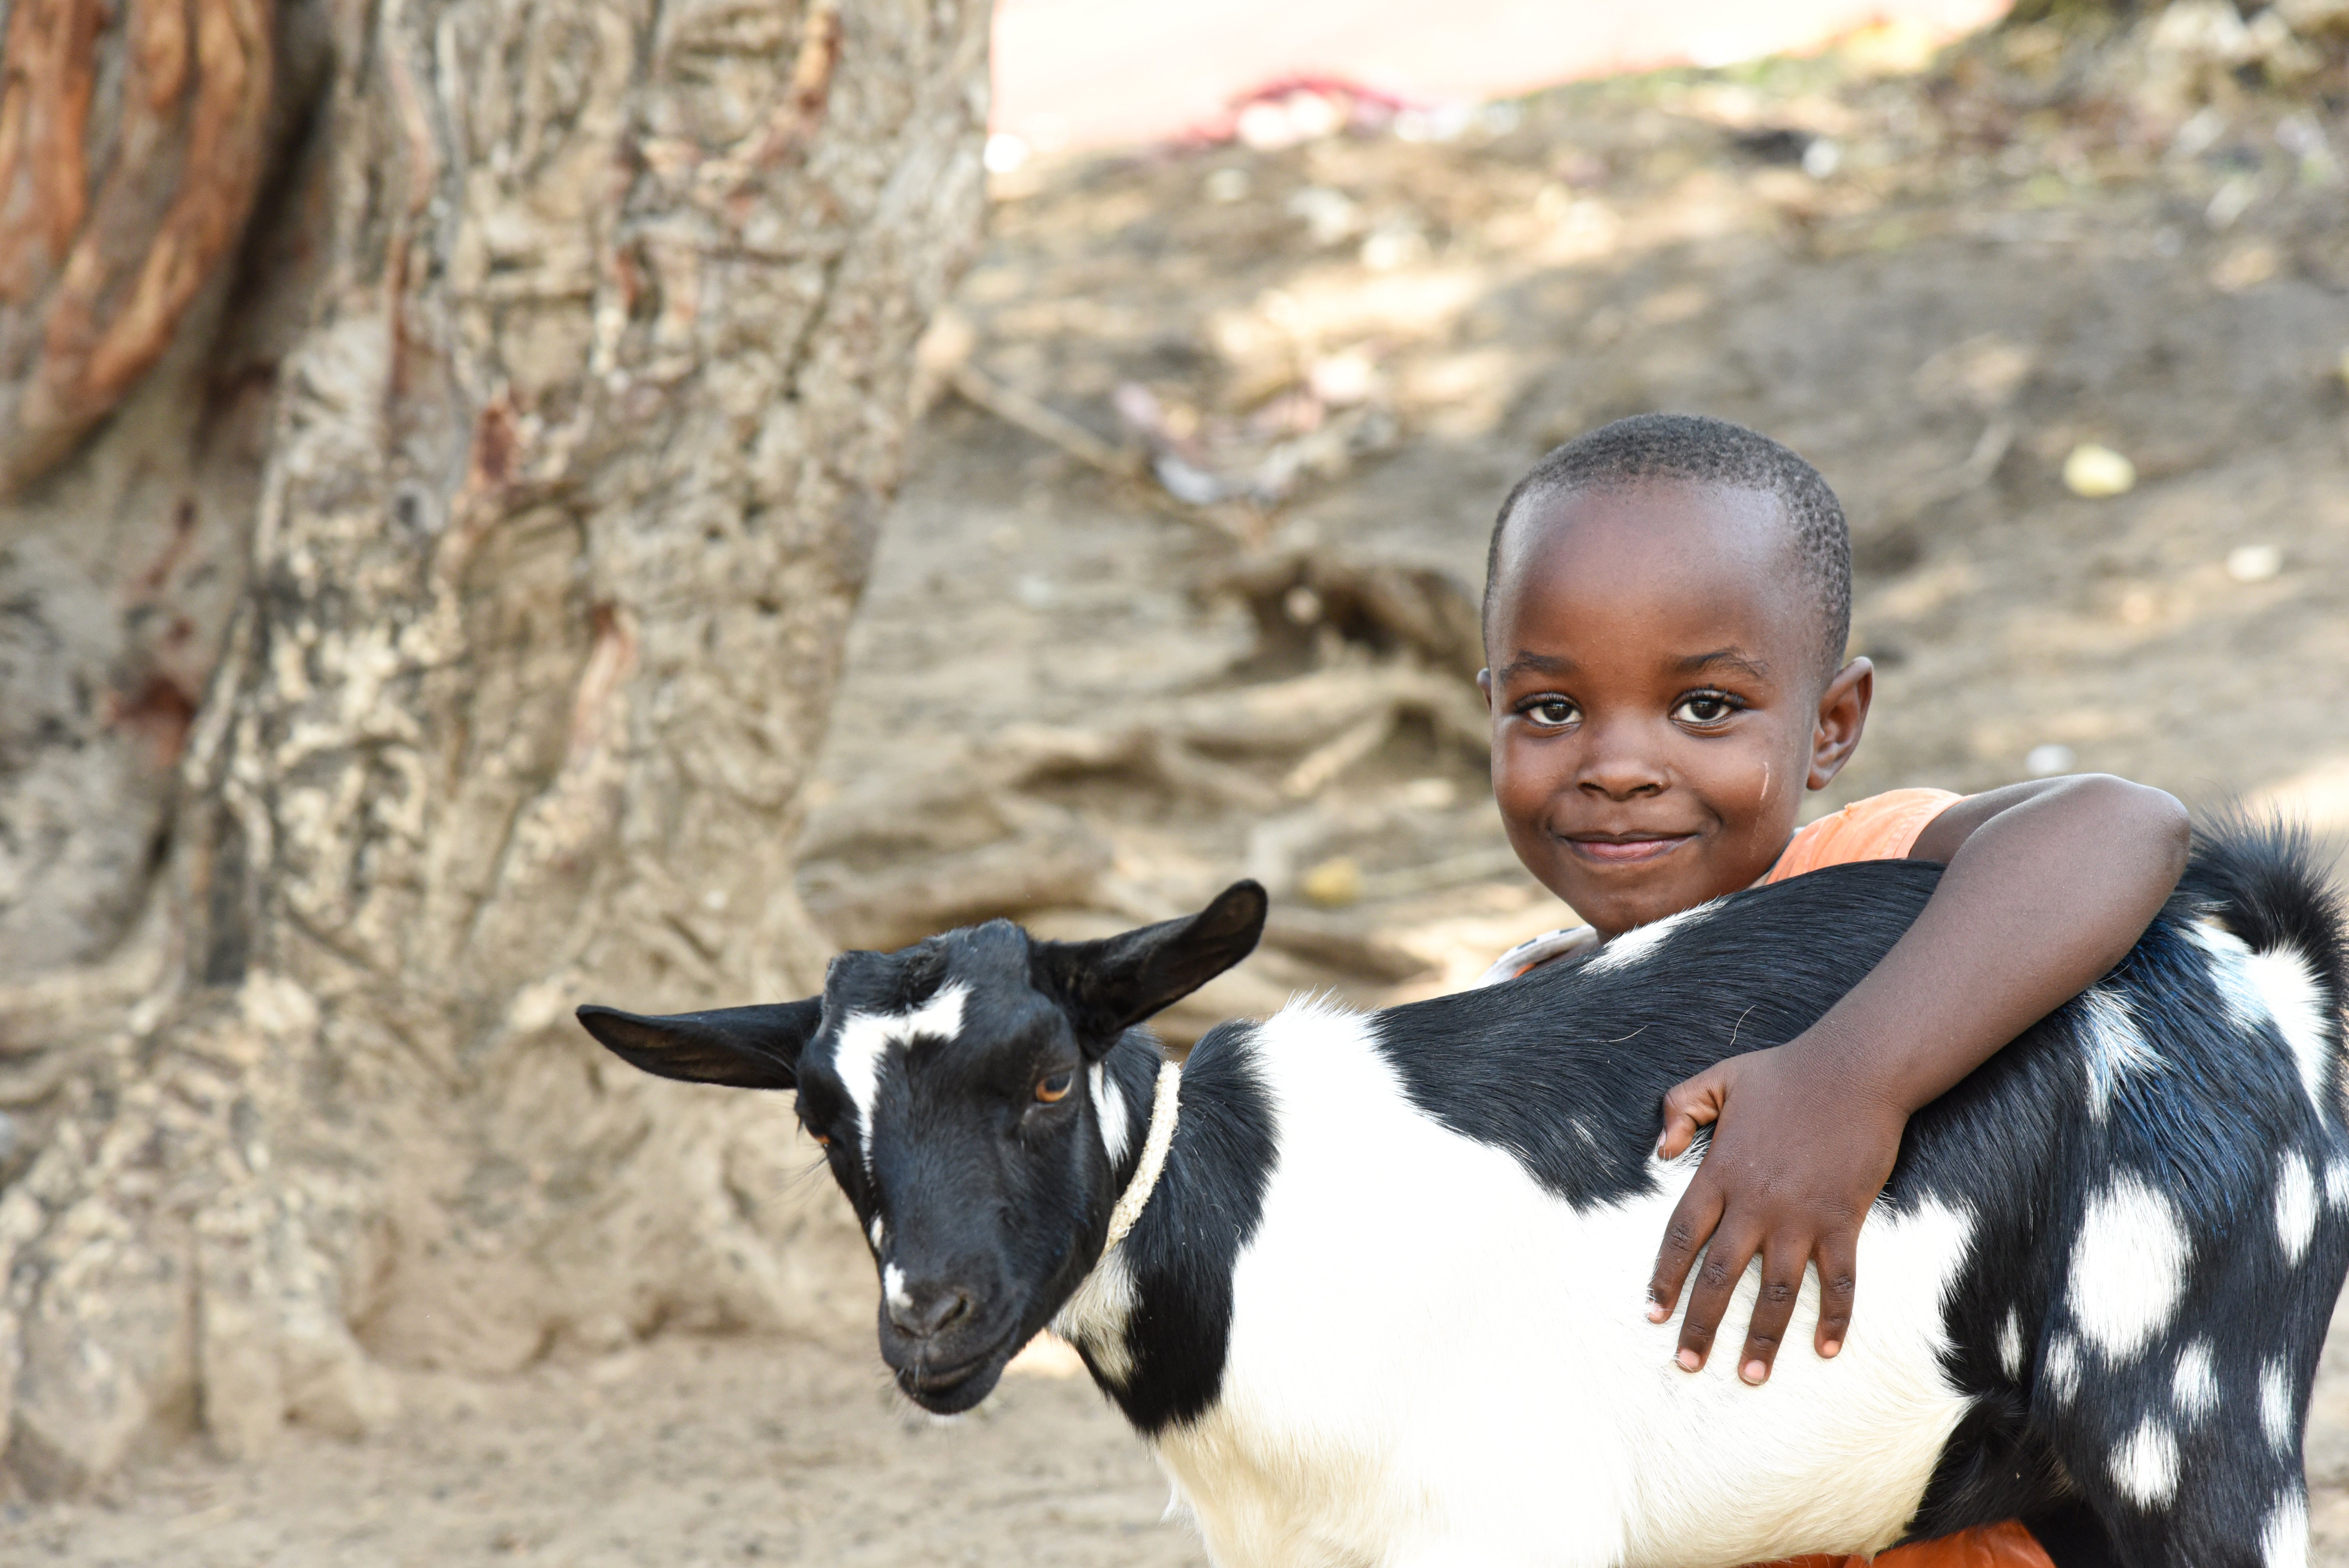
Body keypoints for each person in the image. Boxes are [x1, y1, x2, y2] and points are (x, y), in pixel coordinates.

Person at [1473, 413, 2189, 1568]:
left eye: (1705, 707)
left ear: (1832, 726)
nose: (1614, 766)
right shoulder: (1516, 1021)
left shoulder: (1862, 886)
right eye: (1550, 710)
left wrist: (1849, 1082)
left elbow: (2124, 824)